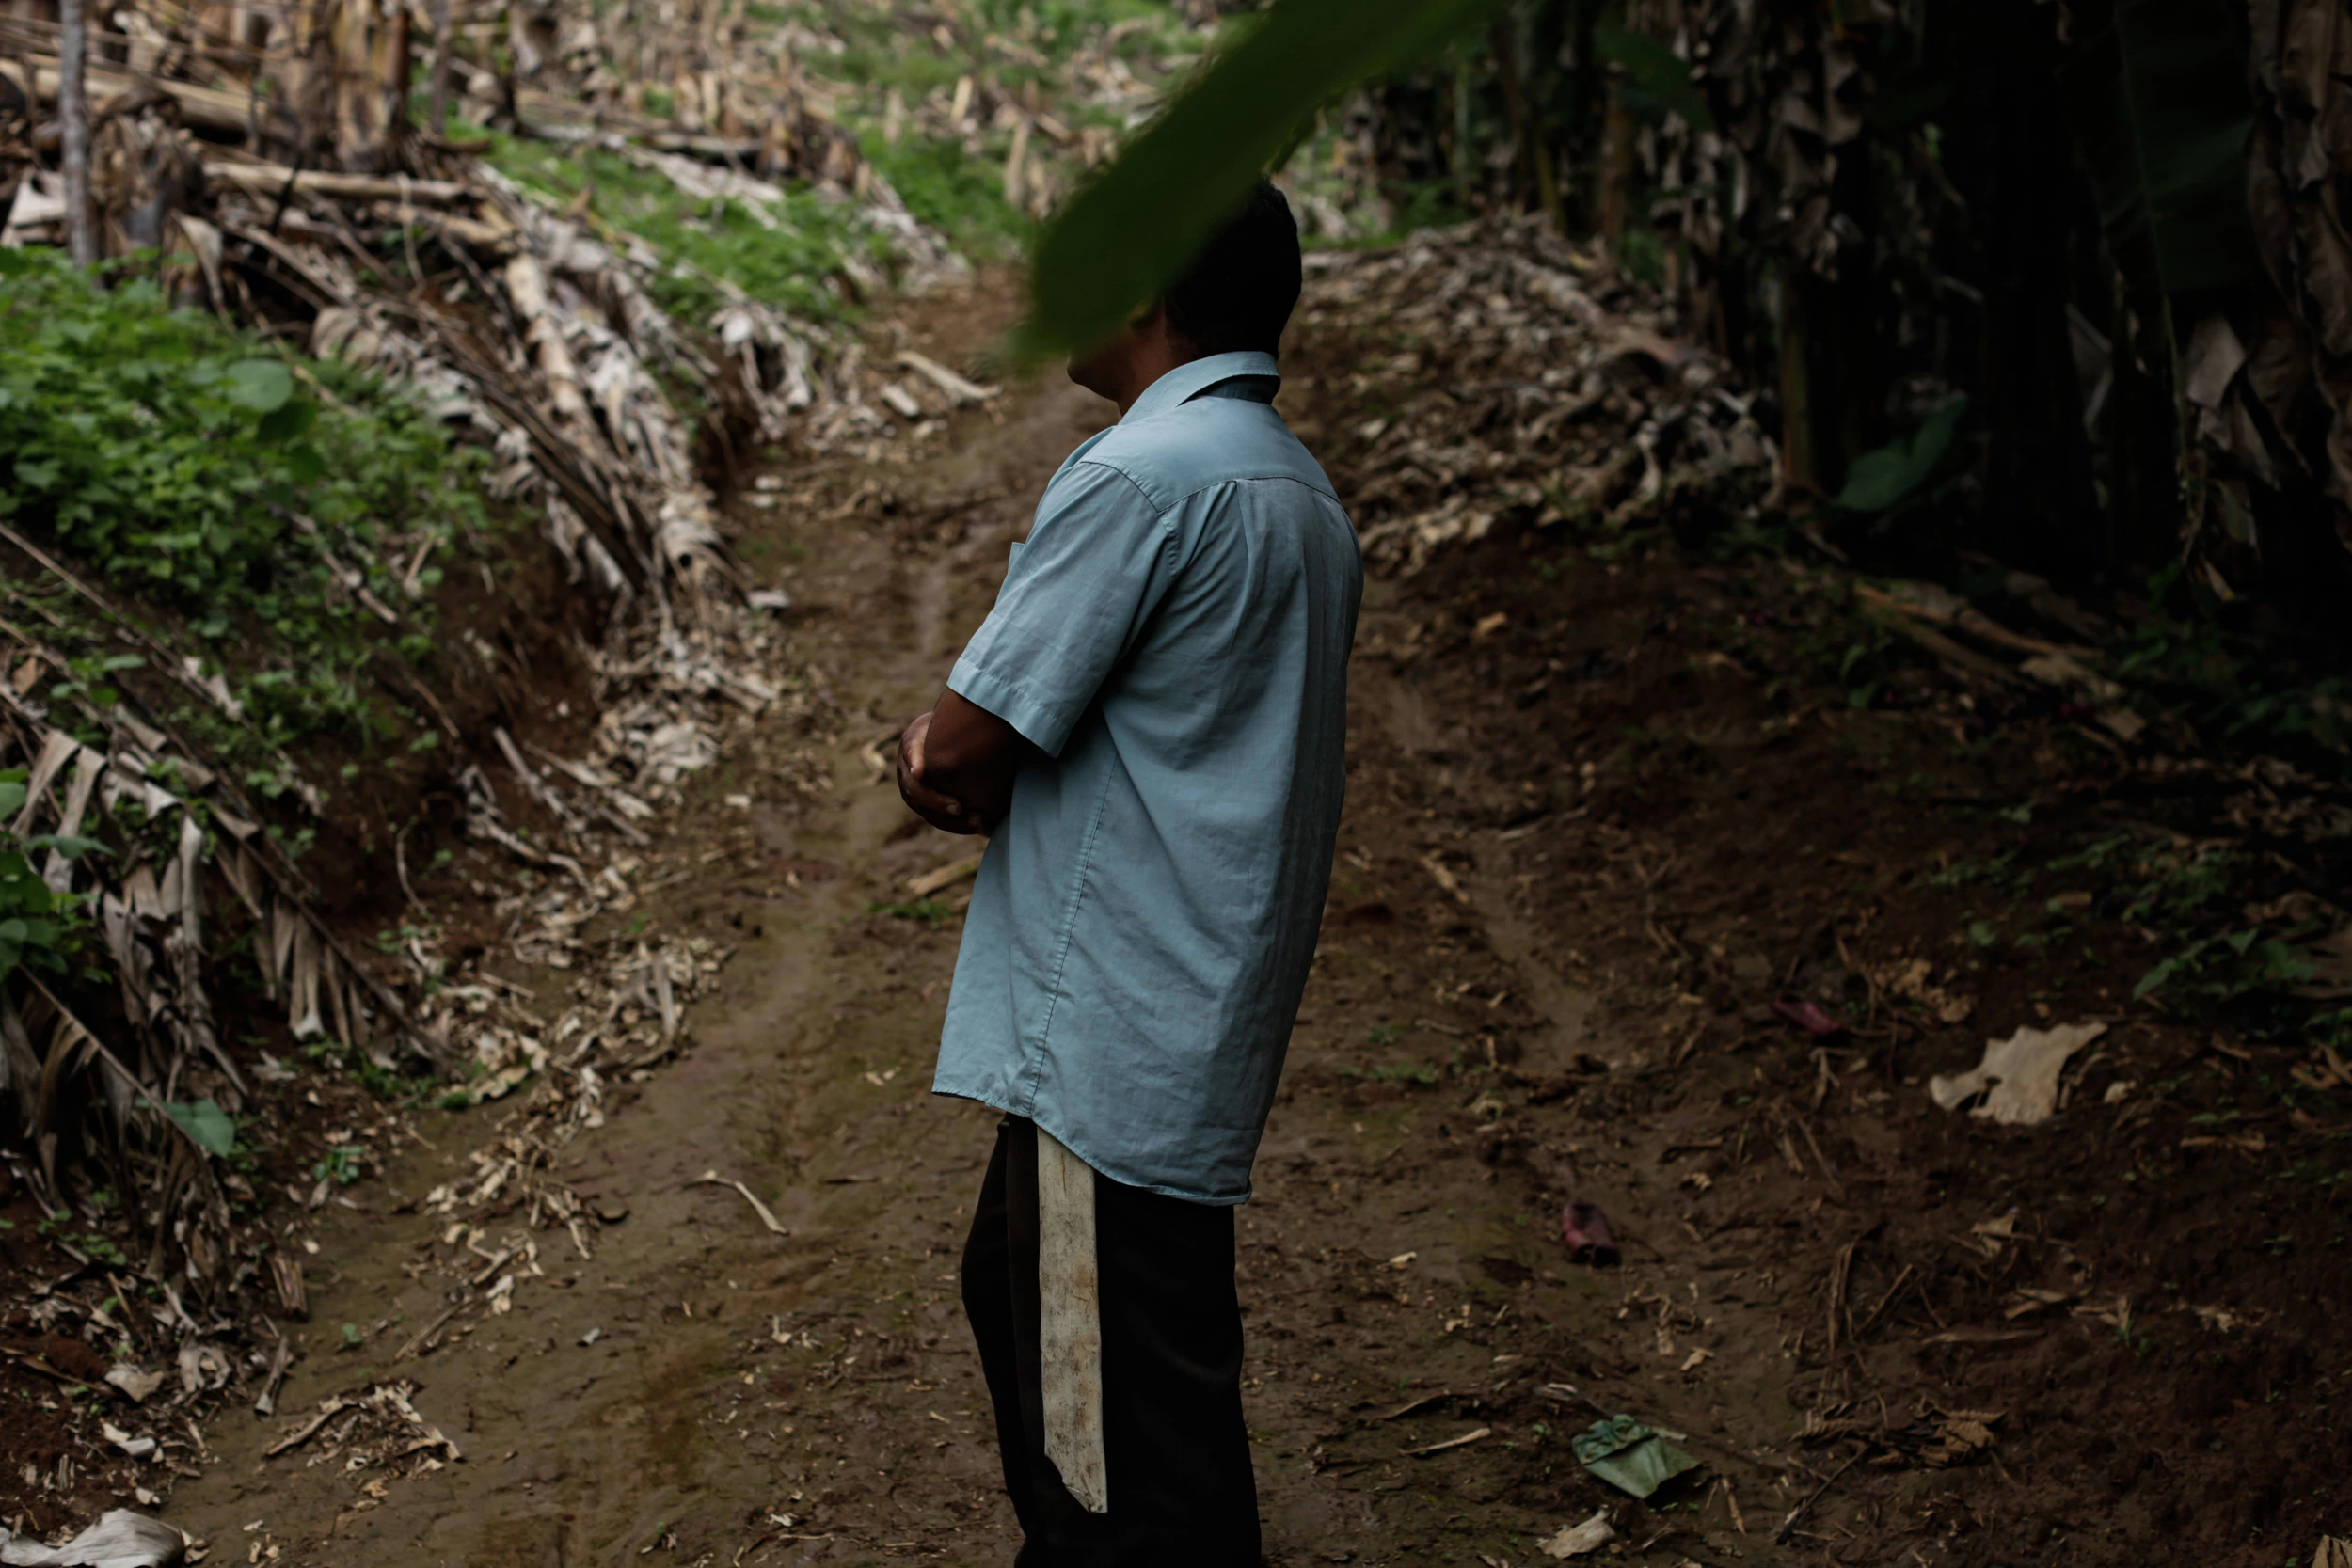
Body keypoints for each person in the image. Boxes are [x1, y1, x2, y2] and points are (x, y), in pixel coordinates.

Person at [894, 182, 1362, 1567]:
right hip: (1197, 1000)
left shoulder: (1137, 475)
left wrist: (921, 749)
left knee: (1101, 1409)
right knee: (1102, 1328)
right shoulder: (1297, 489)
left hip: (1112, 1011)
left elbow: (973, 741)